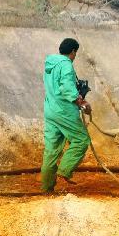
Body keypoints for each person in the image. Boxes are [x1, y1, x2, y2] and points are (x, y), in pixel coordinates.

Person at [40, 38, 92, 193]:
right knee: (82, 139)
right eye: (76, 52)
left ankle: (47, 188)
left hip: (50, 110)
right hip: (64, 112)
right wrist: (81, 103)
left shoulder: (50, 64)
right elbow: (67, 88)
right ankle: (65, 170)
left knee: (51, 150)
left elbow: (58, 87)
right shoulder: (66, 65)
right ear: (73, 51)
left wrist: (79, 98)